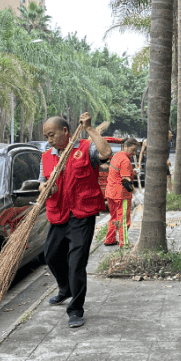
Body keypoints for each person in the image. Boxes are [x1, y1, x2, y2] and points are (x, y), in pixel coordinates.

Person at [40, 112, 112, 328]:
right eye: (46, 136)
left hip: (81, 215)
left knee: (76, 264)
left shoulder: (85, 148)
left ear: (65, 131)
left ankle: (75, 309)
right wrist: (45, 187)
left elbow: (106, 152)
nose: (49, 140)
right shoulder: (46, 156)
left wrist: (90, 129)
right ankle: (65, 288)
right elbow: (41, 181)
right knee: (51, 255)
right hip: (58, 213)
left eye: (51, 135)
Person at [104, 137, 140, 247]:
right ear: (125, 146)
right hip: (121, 195)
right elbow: (126, 181)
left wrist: (132, 172)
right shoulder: (125, 160)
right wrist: (136, 193)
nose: (134, 153)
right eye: (133, 150)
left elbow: (118, 172)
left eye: (136, 151)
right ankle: (124, 242)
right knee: (123, 219)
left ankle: (110, 239)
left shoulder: (117, 156)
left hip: (110, 193)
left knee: (114, 217)